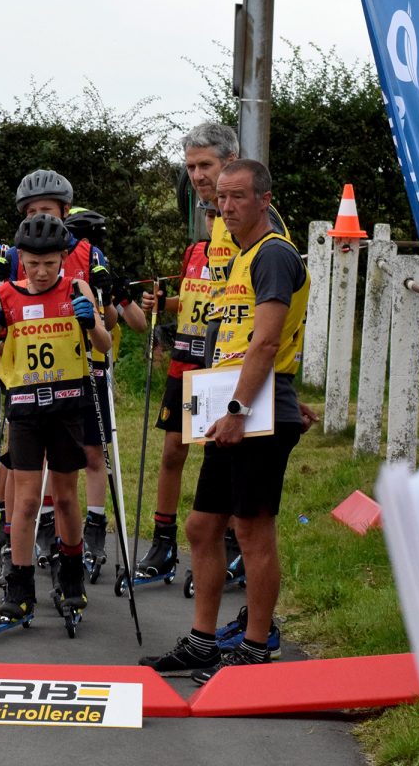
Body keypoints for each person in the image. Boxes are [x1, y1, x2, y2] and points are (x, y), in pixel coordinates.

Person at [139, 159, 310, 683]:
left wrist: (239, 410)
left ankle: (257, 646)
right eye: (221, 200)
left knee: (253, 531)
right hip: (232, 402)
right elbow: (234, 336)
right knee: (201, 525)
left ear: (265, 199)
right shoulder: (235, 257)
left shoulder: (273, 254)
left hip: (249, 408)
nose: (227, 207)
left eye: (238, 197)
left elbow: (267, 341)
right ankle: (202, 641)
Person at [0, 212, 110, 624]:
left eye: (50, 263)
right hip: (27, 410)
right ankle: (19, 587)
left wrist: (91, 323)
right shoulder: (9, 296)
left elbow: (103, 343)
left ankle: (71, 578)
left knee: (66, 496)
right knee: (28, 500)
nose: (41, 272)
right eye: (32, 264)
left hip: (69, 406)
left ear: (63, 259)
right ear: (21, 260)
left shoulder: (77, 287)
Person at [0, 171, 145, 597]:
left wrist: (103, 304)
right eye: (32, 211)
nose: (40, 216)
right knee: (23, 467)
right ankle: (21, 532)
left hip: (81, 372)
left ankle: (88, 530)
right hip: (28, 377)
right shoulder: (20, 251)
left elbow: (110, 322)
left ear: (64, 211)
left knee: (87, 456)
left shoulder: (87, 255)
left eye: (47, 210)